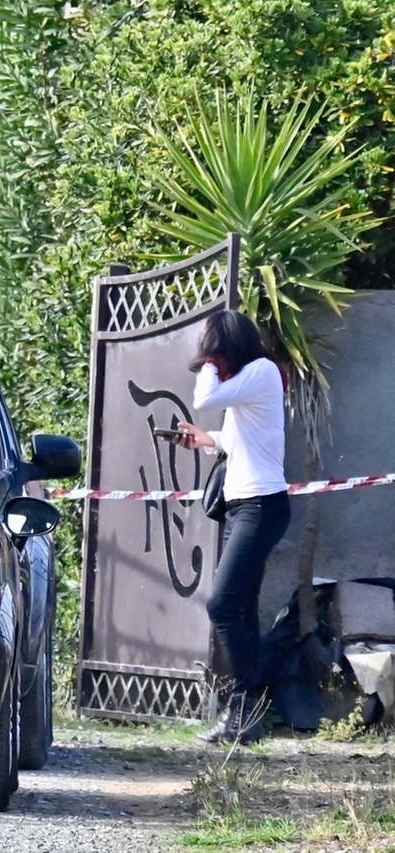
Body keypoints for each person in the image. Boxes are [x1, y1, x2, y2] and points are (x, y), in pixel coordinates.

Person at [168, 309, 291, 745]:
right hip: (246, 506)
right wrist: (208, 441)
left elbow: (204, 400)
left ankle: (244, 707)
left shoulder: (261, 371)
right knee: (241, 609)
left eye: (212, 351)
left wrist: (206, 364)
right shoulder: (251, 381)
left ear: (226, 346)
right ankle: (249, 716)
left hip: (261, 505)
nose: (207, 360)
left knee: (222, 605)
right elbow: (245, 436)